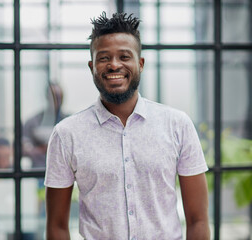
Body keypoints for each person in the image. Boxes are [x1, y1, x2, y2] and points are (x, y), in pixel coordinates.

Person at [45, 12, 210, 240]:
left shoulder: (177, 125)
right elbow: (57, 227)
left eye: (124, 56)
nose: (114, 65)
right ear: (92, 66)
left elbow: (198, 220)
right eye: (104, 58)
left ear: (140, 64)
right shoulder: (66, 134)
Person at [23, 83, 67, 169]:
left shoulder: (70, 121)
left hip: (64, 171)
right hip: (39, 171)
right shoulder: (33, 122)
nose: (57, 101)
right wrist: (42, 149)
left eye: (59, 97)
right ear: (47, 97)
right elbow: (23, 148)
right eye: (54, 97)